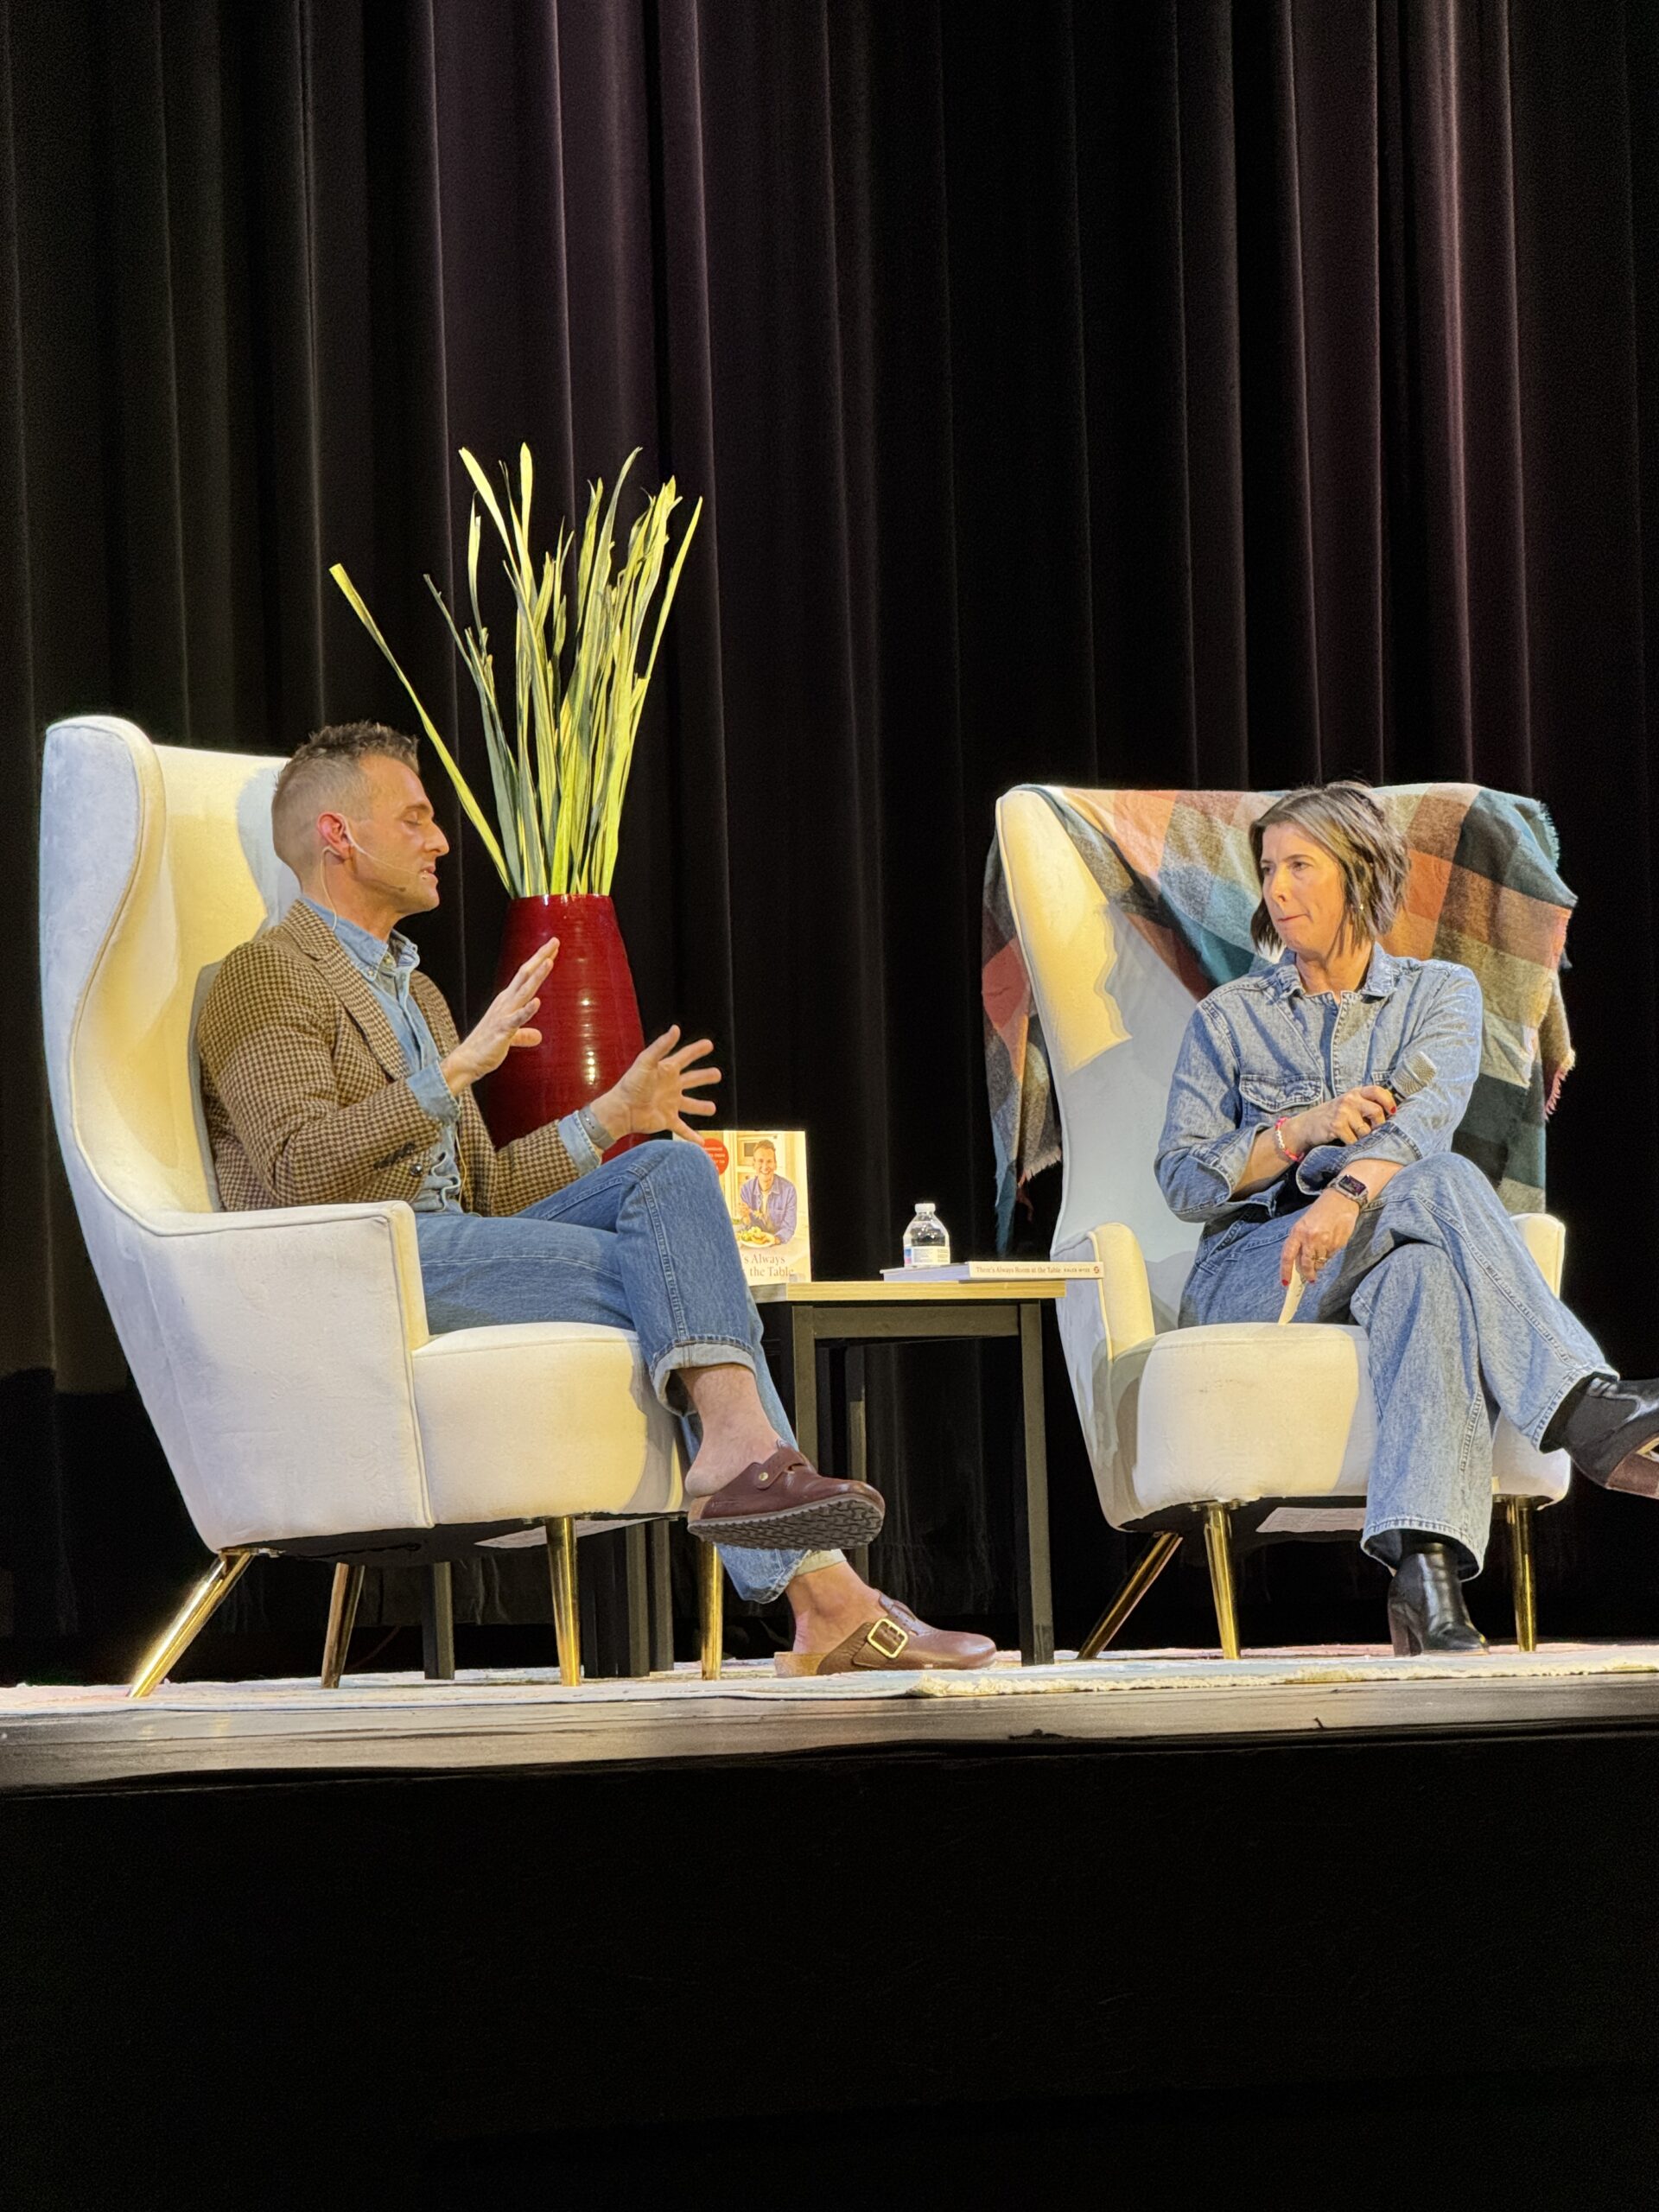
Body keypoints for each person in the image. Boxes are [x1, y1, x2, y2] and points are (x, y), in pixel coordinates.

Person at [197, 722, 994, 1677]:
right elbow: (294, 1174)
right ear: (338, 835)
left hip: (455, 1240)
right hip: (368, 1266)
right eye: (414, 818)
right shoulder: (263, 974)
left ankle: (755, 1481)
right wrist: (451, 1074)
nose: (440, 839)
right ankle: (822, 1589)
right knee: (668, 1278)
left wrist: (611, 1114)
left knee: (669, 1170)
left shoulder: (421, 994)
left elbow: (487, 1188)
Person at [1154, 780, 1659, 1655]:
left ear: (1361, 876)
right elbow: (1184, 1180)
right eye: (1269, 868)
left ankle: (1425, 1582)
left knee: (1425, 1264)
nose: (1276, 889)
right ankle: (1587, 1408)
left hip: (1373, 1245)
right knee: (1444, 1185)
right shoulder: (1227, 1020)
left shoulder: (1442, 994)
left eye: (1301, 866)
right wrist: (1294, 1132)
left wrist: (1349, 1198)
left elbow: (1423, 1117)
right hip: (1258, 1271)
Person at [737, 1140, 798, 1244]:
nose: (765, 1167)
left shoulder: (789, 1190)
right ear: (754, 1165)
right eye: (760, 1161)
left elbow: (789, 1227)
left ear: (775, 1165)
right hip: (754, 1244)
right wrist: (746, 1217)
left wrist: (773, 1240)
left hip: (778, 1244)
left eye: (769, 1161)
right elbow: (747, 1227)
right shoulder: (745, 1189)